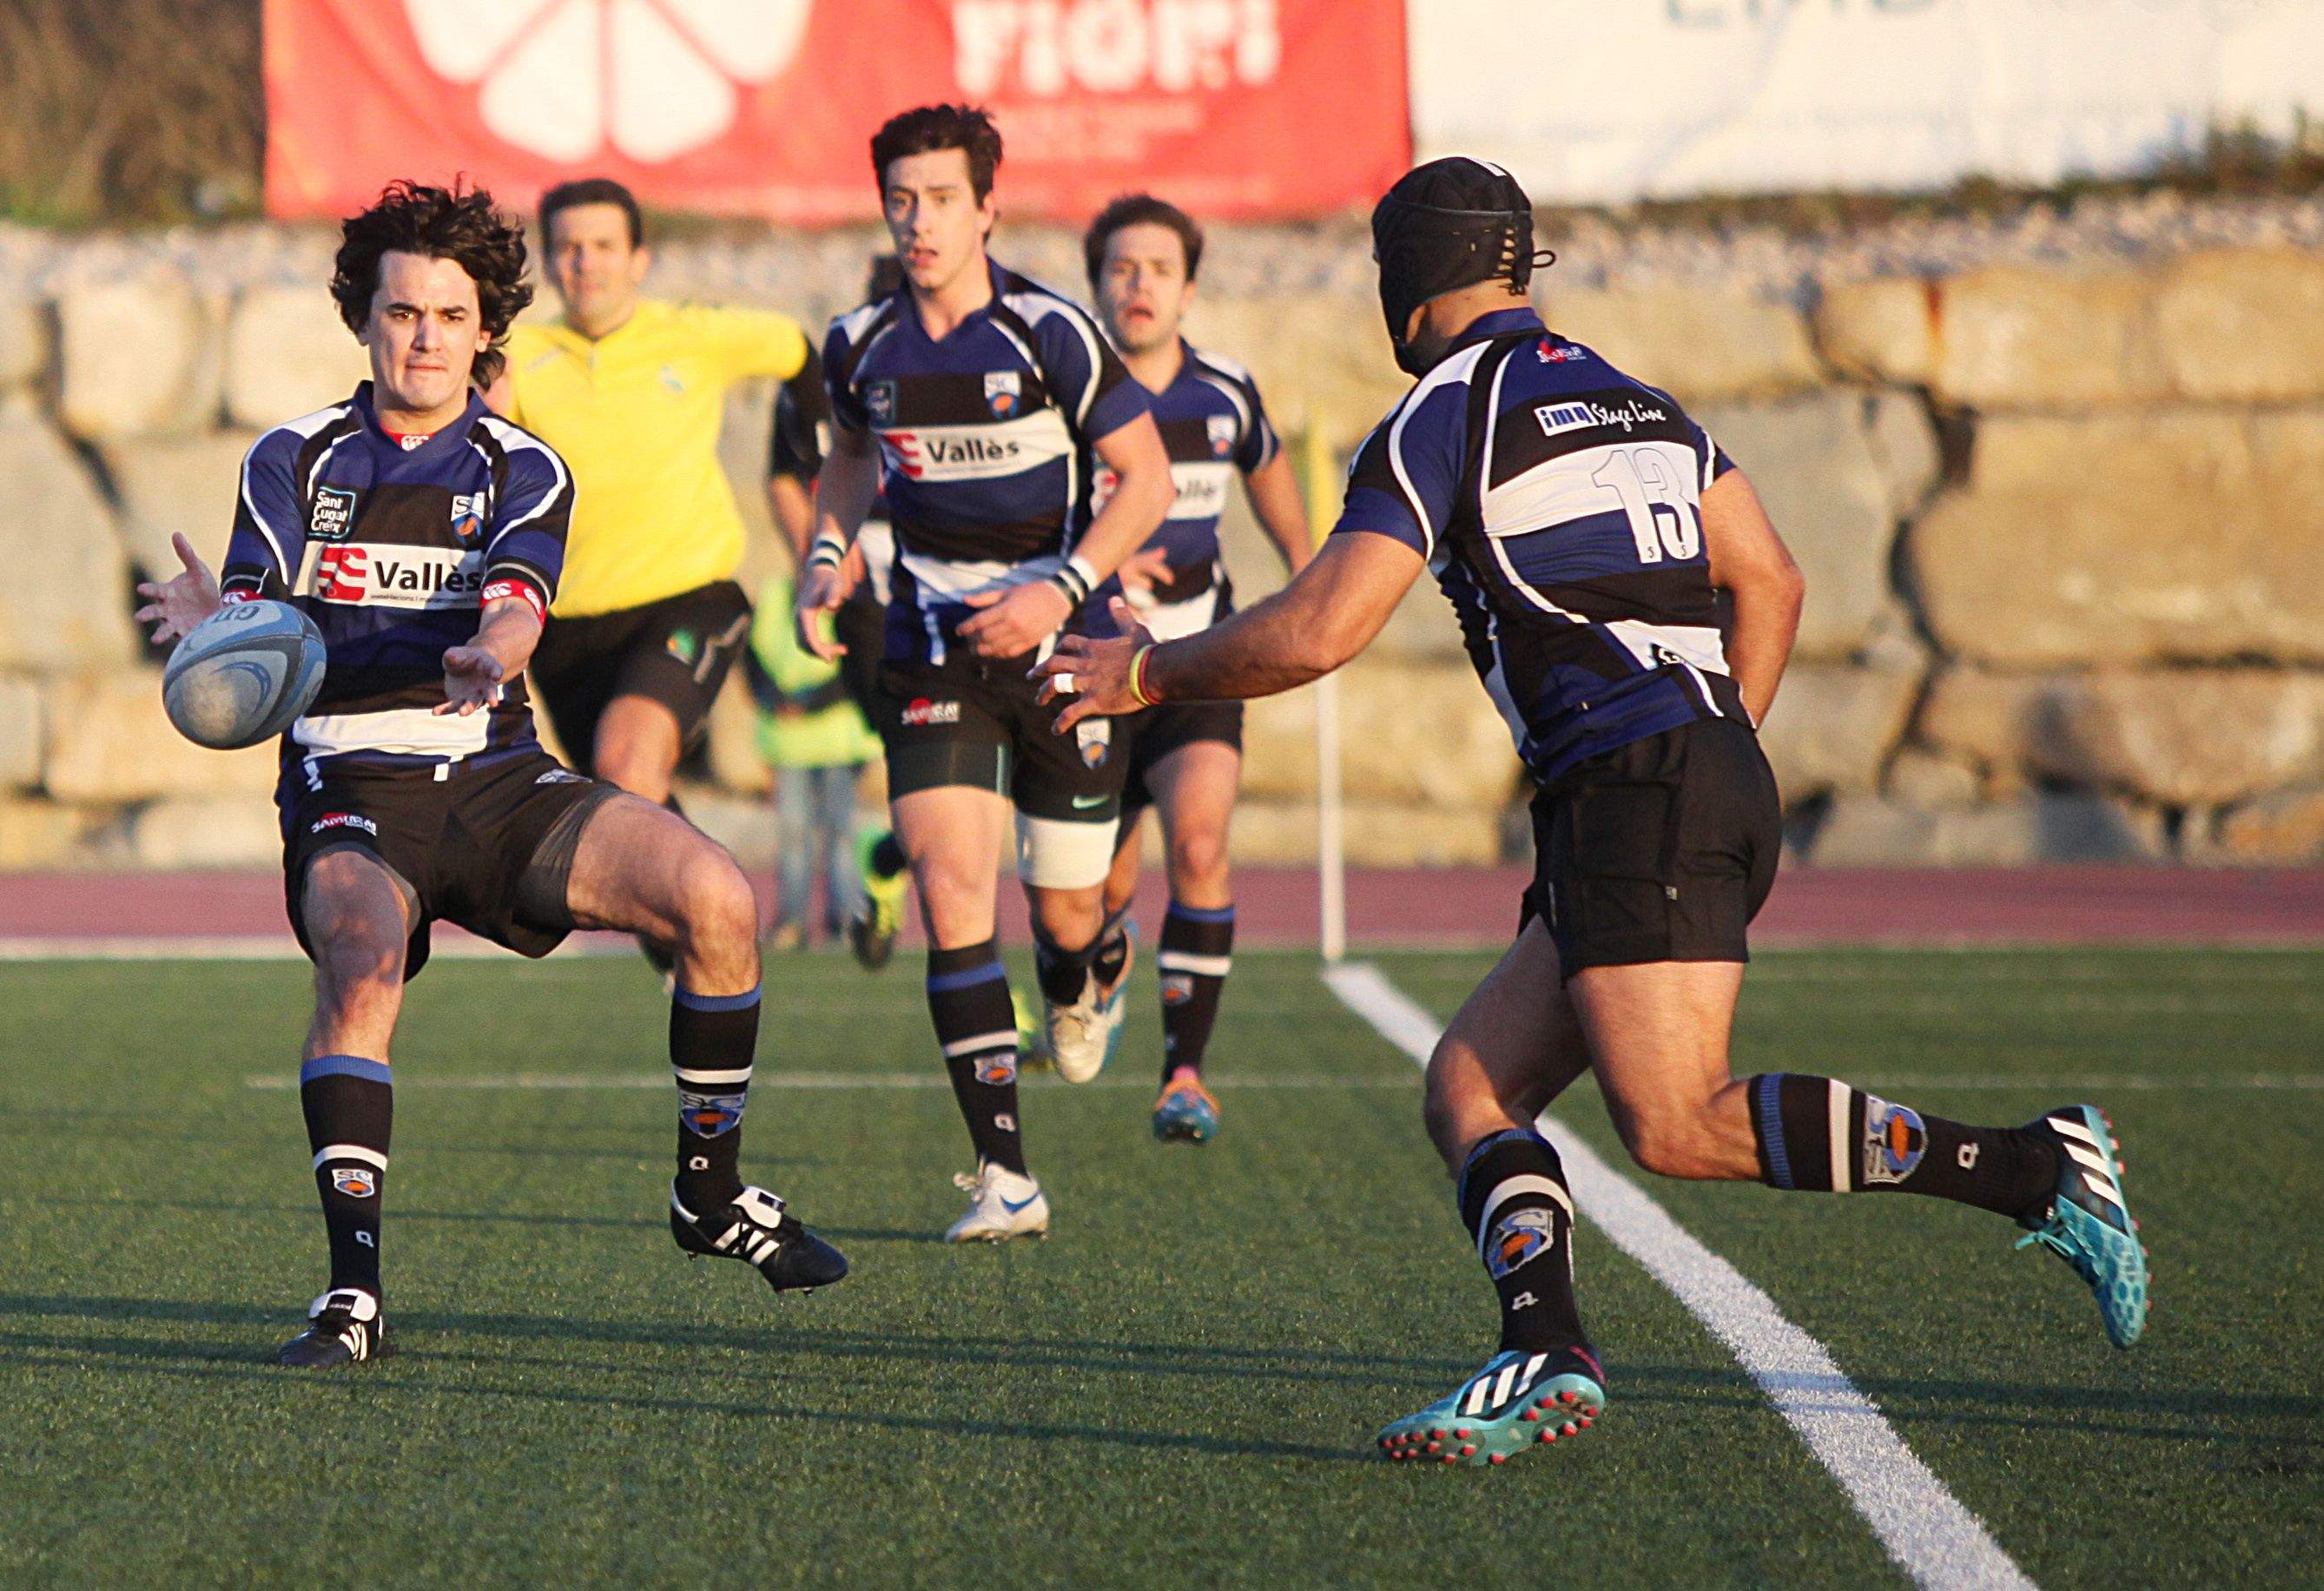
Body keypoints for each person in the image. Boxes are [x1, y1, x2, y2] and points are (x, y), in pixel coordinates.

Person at [1037, 158, 2148, 1459]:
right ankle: (1541, 1349)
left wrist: (1147, 671)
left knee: (1675, 1123)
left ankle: (2036, 1164)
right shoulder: (1637, 398)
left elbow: (1326, 625)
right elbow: (1773, 581)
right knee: (1469, 1085)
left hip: (1636, 788)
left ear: (1406, 288)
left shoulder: (1440, 415)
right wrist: (1713, 743)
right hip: (1686, 772)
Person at [134, 180, 845, 1370]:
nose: (423, 336)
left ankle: (709, 1197)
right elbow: (262, 614)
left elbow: (519, 607)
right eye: (401, 311)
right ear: (364, 321)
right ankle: (352, 1299)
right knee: (359, 962)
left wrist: (491, 649)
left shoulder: (525, 469)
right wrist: (222, 631)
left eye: (449, 316)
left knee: (719, 898)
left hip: (498, 773)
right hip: (348, 780)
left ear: (484, 332)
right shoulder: (292, 457)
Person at [796, 104, 1175, 1242]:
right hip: (930, 649)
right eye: (901, 200)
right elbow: (850, 465)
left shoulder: (1050, 332)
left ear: (988, 208)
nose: (920, 221)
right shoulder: (859, 343)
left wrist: (1058, 590)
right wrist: (826, 559)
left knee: (1063, 915)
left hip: (1063, 645)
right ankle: (1005, 1176)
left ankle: (1093, 968)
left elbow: (1145, 480)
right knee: (952, 887)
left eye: (943, 199)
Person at [487, 177, 833, 968]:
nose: (586, 263)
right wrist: (494, 419)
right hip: (566, 632)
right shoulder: (524, 358)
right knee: (623, 819)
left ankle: (711, 939)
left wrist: (796, 478)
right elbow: (487, 470)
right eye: (569, 248)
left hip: (691, 597)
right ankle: (701, 961)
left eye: (604, 245)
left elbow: (803, 354)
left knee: (628, 763)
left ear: (638, 257)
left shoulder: (696, 335)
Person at [1079, 194, 1315, 1145]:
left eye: (1158, 270)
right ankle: (1103, 959)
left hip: (1191, 666)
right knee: (1093, 894)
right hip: (1090, 666)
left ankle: (1185, 1073)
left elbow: (1272, 480)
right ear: (1095, 281)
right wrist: (1097, 557)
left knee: (1203, 845)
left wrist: (1309, 581)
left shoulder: (1224, 392)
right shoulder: (1064, 386)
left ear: (1189, 286)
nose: (1139, 287)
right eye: (1121, 269)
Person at [766, 253, 911, 969]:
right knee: (923, 759)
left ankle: (890, 858)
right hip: (871, 605)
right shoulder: (830, 380)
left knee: (977, 786)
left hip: (976, 594)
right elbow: (785, 479)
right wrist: (823, 551)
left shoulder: (992, 363)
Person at [743, 573, 877, 949]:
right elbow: (751, 659)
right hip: (787, 743)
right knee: (792, 836)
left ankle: (844, 921)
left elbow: (855, 662)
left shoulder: (843, 598)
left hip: (838, 738)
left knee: (839, 834)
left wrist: (807, 701)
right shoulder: (773, 597)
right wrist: (774, 699)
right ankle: (791, 922)